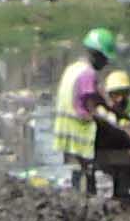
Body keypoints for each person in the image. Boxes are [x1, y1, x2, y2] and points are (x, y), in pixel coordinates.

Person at [52, 28, 126, 189]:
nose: (106, 63)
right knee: (120, 139)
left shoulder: (72, 69)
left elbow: (93, 96)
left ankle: (83, 190)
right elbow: (91, 106)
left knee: (80, 173)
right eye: (105, 58)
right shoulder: (88, 74)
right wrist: (114, 121)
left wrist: (108, 105)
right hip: (80, 131)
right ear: (96, 54)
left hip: (66, 133)